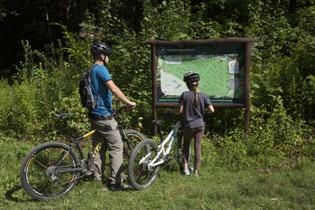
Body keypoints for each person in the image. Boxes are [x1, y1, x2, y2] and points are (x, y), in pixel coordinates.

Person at [88, 42, 136, 190]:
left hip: (94, 114)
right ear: (102, 56)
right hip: (103, 116)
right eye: (107, 55)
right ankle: (115, 182)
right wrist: (128, 102)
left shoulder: (91, 70)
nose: (108, 58)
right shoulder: (101, 69)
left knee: (98, 145)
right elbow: (114, 89)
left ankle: (95, 176)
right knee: (116, 147)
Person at [179, 71, 214, 176]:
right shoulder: (203, 95)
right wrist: (203, 111)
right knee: (197, 147)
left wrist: (172, 111)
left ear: (187, 84)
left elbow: (180, 111)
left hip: (189, 125)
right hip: (200, 124)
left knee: (186, 146)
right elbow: (212, 110)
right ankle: (196, 171)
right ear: (197, 82)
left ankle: (185, 169)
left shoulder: (184, 95)